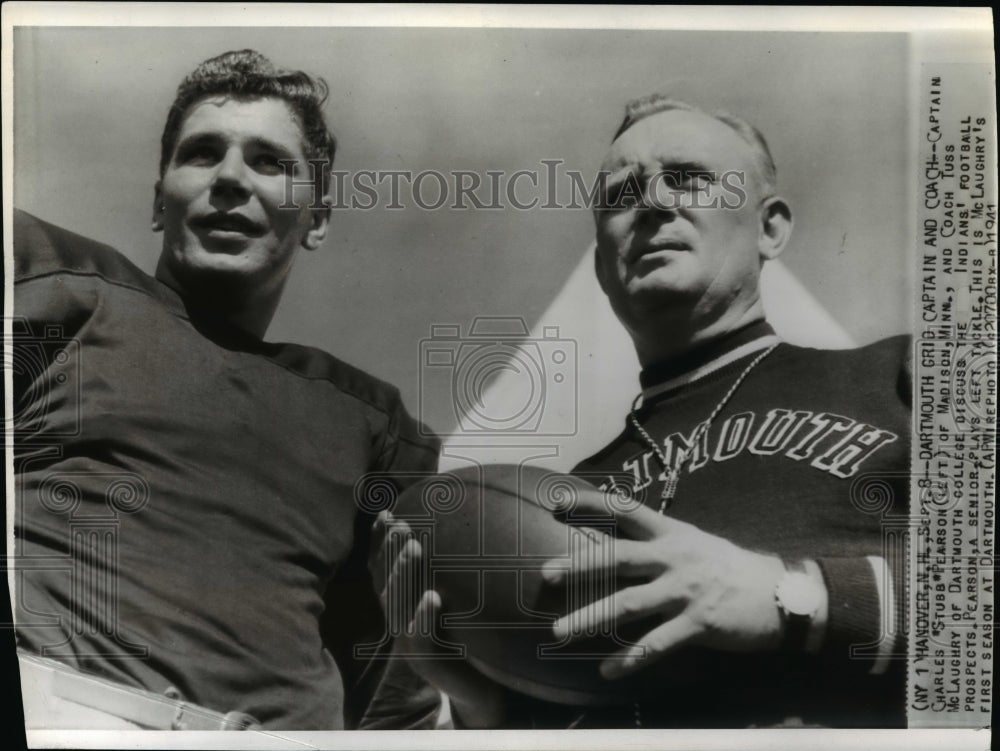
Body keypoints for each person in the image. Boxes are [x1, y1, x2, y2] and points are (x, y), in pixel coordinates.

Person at [384, 94, 909, 728]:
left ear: (770, 228)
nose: (654, 203)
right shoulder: (566, 496)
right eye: (621, 194)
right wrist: (485, 705)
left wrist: (791, 595)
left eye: (689, 179)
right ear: (603, 264)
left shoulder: (907, 374)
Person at [13, 49, 442, 730]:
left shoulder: (374, 420)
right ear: (160, 200)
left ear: (318, 220)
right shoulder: (60, 283)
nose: (231, 179)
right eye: (203, 153)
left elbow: (390, 680)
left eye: (270, 161)